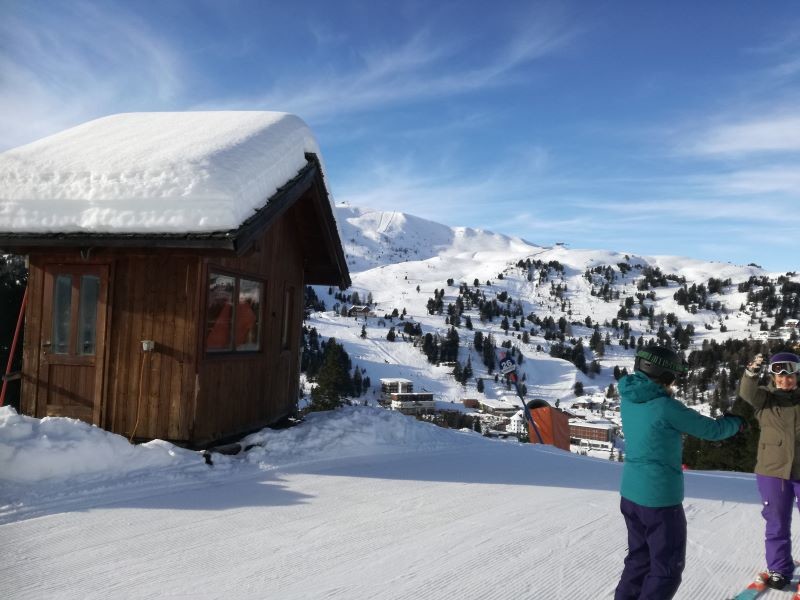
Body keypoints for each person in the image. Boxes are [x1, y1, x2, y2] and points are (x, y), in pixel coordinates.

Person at [615, 346, 743, 600]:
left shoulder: (629, 397)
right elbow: (712, 430)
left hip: (630, 495)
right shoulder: (665, 407)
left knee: (639, 559)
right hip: (659, 499)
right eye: (674, 376)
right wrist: (736, 422)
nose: (674, 382)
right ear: (665, 375)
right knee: (666, 568)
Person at [738, 351, 800, 590]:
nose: (785, 380)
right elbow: (747, 392)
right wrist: (751, 372)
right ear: (773, 377)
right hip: (772, 471)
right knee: (776, 522)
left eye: (790, 375)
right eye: (780, 375)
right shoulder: (765, 398)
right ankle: (779, 569)